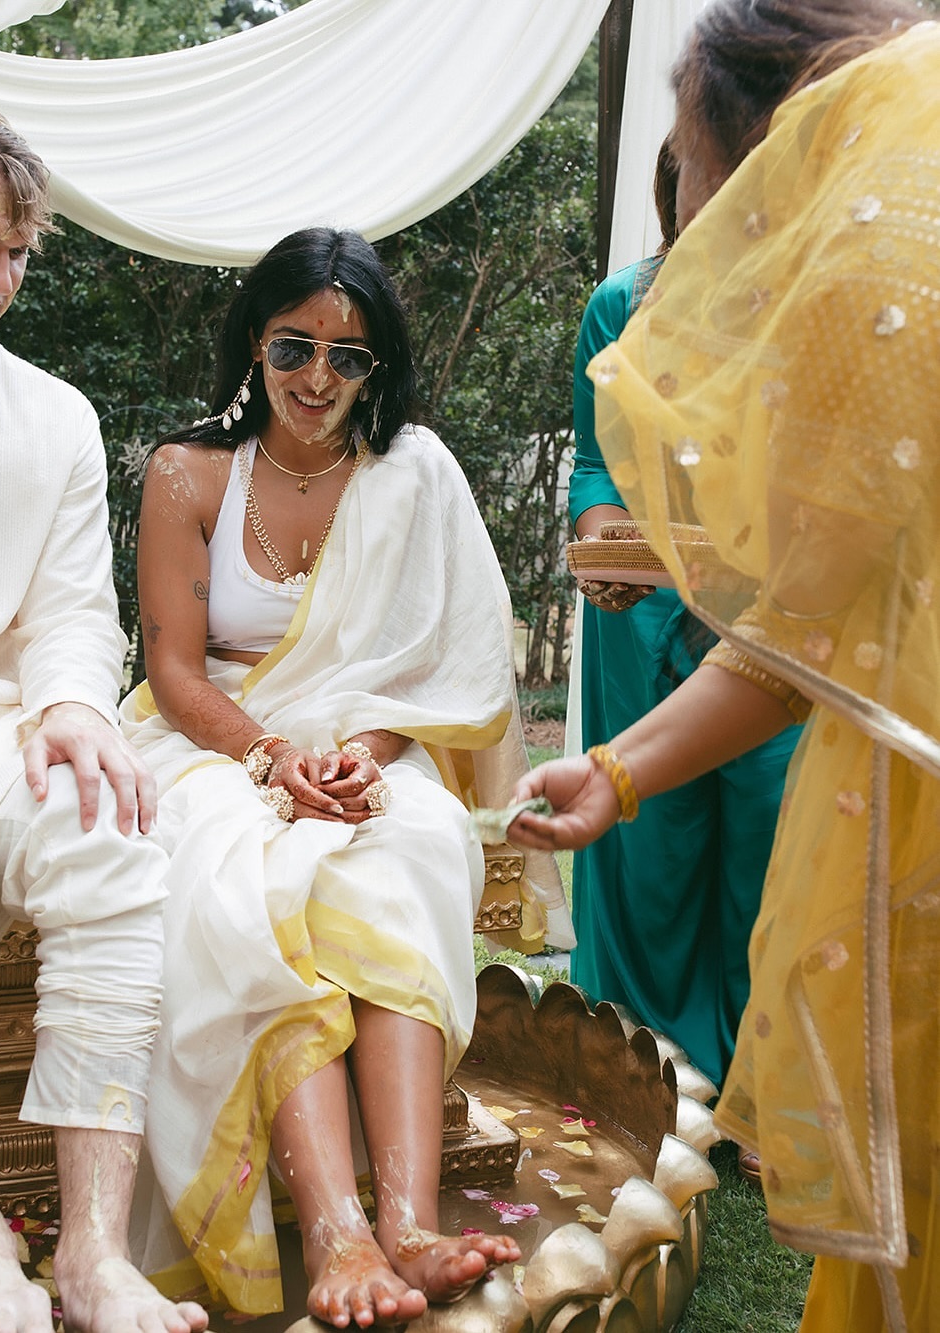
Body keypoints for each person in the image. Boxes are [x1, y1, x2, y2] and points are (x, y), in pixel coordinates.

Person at [511, 1, 938, 1328]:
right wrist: (620, 773)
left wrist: (612, 771)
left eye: (695, 179)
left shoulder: (871, 276)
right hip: (677, 642)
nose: (686, 215)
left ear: (768, 154)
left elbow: (808, 611)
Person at [120, 227, 569, 1329]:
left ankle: (408, 1223)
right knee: (238, 869)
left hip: (368, 743)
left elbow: (440, 670)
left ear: (378, 367)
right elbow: (173, 670)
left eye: (350, 356)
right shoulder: (190, 472)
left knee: (408, 844)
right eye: (293, 347)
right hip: (210, 741)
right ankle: (334, 1228)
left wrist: (357, 757)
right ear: (253, 343)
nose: (318, 378)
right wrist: (271, 758)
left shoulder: (410, 473)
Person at [0, 96, 208, 1333]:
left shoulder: (56, 416)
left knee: (115, 824)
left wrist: (72, 706)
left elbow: (70, 611)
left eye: (19, 253)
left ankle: (92, 1257)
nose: (0, 278)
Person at [569, 137, 800, 1142]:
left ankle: (766, 1099)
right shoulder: (619, 304)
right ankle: (657, 1080)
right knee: (648, 840)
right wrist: (597, 539)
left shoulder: (807, 306)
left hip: (778, 614)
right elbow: (591, 460)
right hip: (644, 611)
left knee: (769, 838)